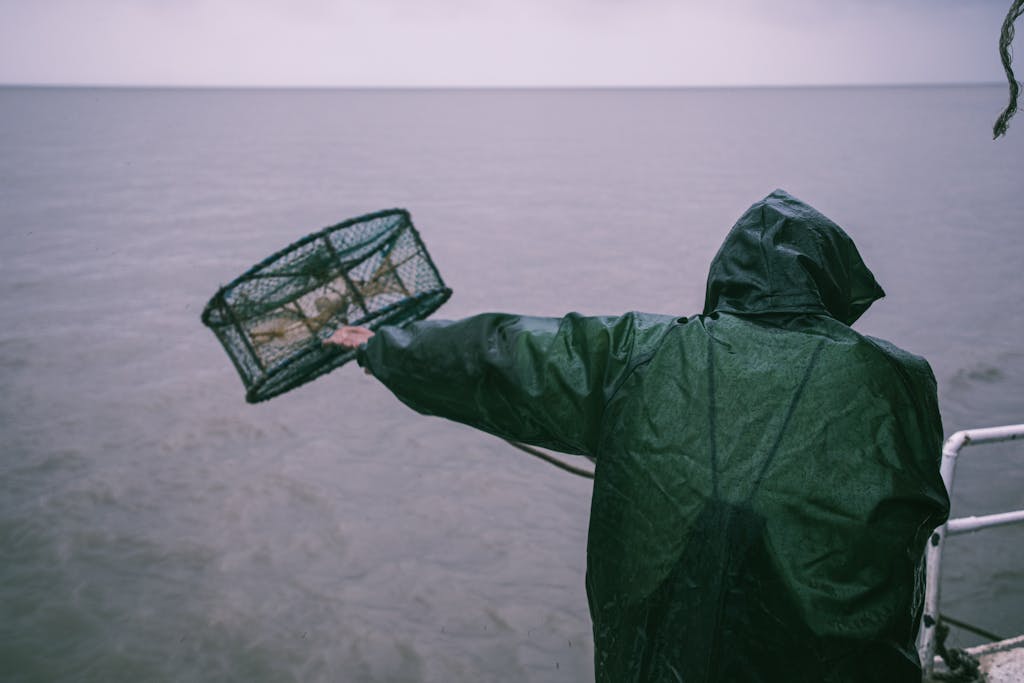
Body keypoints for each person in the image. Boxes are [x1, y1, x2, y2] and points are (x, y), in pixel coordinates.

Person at [325, 189, 950, 682]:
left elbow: (503, 354)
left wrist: (384, 345)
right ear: (831, 278)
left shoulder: (641, 354)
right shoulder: (896, 377)